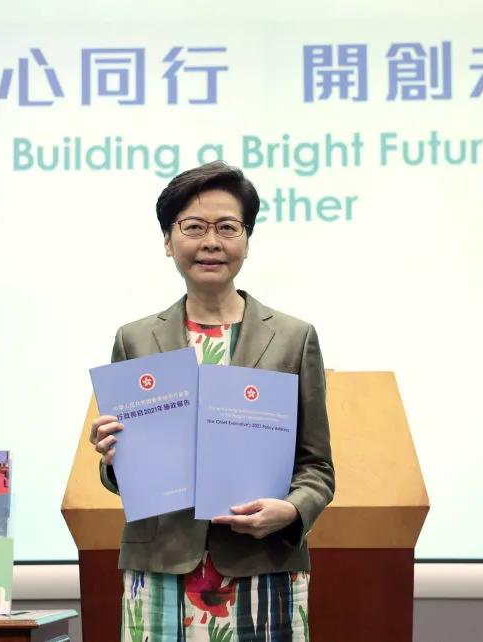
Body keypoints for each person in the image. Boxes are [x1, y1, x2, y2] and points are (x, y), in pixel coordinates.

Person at [88, 161, 335, 641]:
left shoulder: (293, 337)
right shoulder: (134, 339)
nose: (211, 242)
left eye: (227, 227)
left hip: (262, 566)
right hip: (160, 568)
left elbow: (317, 467)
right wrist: (114, 458)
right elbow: (122, 475)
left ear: (247, 239)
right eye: (193, 227)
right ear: (168, 240)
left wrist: (291, 511)